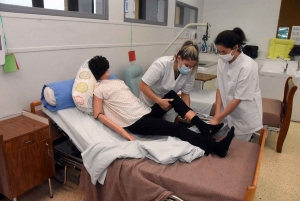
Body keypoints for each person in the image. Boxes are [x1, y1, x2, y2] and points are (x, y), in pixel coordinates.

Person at [88, 55, 235, 158]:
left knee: (172, 95)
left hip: (145, 112)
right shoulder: (98, 89)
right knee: (176, 129)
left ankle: (203, 127)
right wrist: (125, 134)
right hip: (136, 122)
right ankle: (216, 148)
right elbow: (98, 114)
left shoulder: (117, 81)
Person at [210, 28, 263, 141]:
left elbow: (239, 98)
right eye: (219, 52)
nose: (221, 55)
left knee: (239, 147)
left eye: (224, 52)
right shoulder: (221, 62)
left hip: (244, 113)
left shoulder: (248, 65)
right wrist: (217, 113)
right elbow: (219, 88)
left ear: (235, 47)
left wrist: (219, 117)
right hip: (228, 110)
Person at [139, 40, 199, 122]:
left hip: (168, 106)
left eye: (191, 66)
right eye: (187, 65)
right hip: (149, 103)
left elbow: (185, 94)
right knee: (151, 130)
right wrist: (159, 101)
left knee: (168, 131)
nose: (188, 69)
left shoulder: (191, 71)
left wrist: (188, 111)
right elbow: (143, 86)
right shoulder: (161, 64)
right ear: (179, 58)